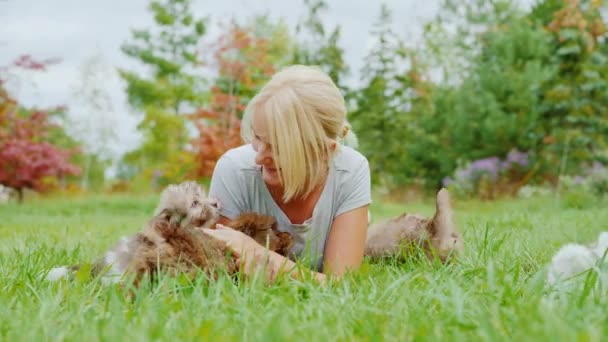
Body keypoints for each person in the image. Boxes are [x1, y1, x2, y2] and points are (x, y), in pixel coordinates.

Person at [202, 65, 370, 283]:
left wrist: (258, 256)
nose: (259, 158)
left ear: (324, 150)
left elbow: (342, 285)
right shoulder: (235, 170)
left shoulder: (350, 171)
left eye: (278, 147)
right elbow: (220, 274)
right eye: (258, 138)